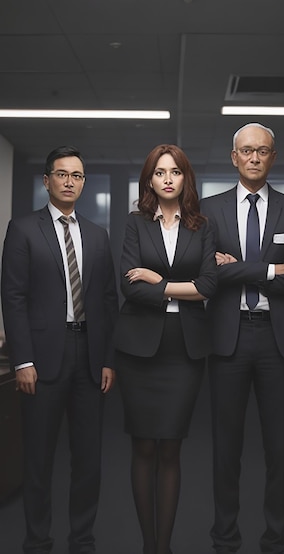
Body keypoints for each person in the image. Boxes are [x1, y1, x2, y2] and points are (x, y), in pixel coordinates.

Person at [1, 145, 119, 554]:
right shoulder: (23, 229)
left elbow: (107, 300)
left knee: (88, 461)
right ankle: (37, 541)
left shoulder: (98, 235)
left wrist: (107, 359)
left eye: (78, 176)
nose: (70, 181)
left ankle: (82, 540)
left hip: (89, 356)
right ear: (47, 180)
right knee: (38, 459)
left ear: (83, 183)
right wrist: (23, 360)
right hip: (42, 359)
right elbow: (13, 298)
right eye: (62, 174)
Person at [200, 123, 284, 554]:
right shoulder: (209, 210)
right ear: (233, 157)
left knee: (279, 449)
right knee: (226, 448)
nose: (254, 158)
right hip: (227, 338)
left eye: (262, 151)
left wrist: (239, 268)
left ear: (273, 157)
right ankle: (225, 538)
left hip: (278, 340)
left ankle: (275, 538)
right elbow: (209, 274)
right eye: (246, 150)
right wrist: (270, 269)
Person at [114, 144, 217, 554]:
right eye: (160, 172)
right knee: (142, 446)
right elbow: (128, 287)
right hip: (140, 349)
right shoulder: (135, 223)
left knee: (171, 447)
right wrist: (179, 289)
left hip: (184, 349)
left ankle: (164, 546)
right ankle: (147, 545)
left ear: (185, 178)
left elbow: (209, 285)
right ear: (150, 180)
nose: (168, 178)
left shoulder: (202, 226)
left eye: (175, 171)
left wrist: (158, 281)